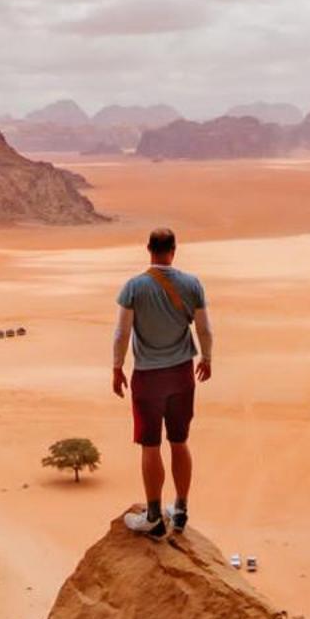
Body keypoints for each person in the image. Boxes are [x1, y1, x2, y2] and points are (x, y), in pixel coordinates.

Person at [111, 227, 213, 537]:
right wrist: (206, 359)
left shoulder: (134, 287)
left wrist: (117, 367)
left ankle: (154, 516)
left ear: (148, 249)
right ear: (174, 250)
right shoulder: (192, 284)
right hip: (182, 373)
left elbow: (122, 333)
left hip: (148, 377)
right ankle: (180, 511)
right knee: (179, 441)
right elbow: (205, 329)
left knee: (150, 444)